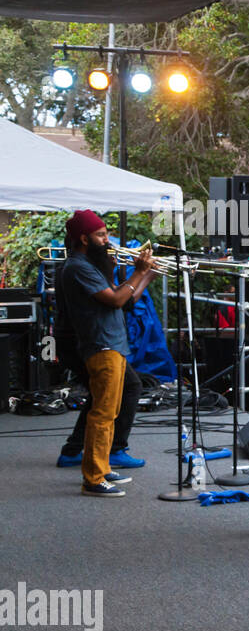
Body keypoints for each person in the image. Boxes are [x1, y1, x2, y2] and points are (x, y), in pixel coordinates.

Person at [57, 210, 157, 496]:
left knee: (110, 410)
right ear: (83, 238)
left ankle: (101, 465)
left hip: (112, 344)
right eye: (100, 235)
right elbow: (115, 300)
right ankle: (93, 477)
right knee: (102, 413)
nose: (107, 239)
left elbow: (123, 297)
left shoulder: (89, 265)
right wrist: (138, 271)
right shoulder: (77, 267)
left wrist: (145, 276)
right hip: (101, 345)